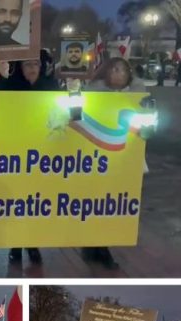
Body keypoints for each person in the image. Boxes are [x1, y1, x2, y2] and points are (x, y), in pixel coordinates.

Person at [83, 57, 145, 269]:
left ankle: (102, 245)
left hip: (124, 158)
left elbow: (146, 129)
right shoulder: (92, 95)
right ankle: (95, 245)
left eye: (122, 70)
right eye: (114, 69)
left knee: (114, 203)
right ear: (106, 73)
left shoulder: (140, 99)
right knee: (96, 202)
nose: (118, 74)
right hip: (96, 159)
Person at [1, 56, 58, 264]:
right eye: (28, 65)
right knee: (17, 203)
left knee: (35, 204)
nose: (32, 68)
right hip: (17, 154)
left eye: (35, 64)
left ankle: (33, 246)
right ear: (21, 68)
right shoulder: (10, 87)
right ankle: (15, 247)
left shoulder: (51, 87)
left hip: (43, 154)